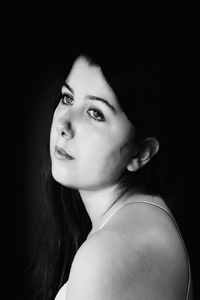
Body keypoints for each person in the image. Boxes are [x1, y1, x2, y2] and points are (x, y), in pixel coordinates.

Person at [28, 48, 193, 300]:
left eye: (95, 113)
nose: (63, 124)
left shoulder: (109, 253)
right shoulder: (139, 220)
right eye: (67, 98)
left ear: (141, 153)